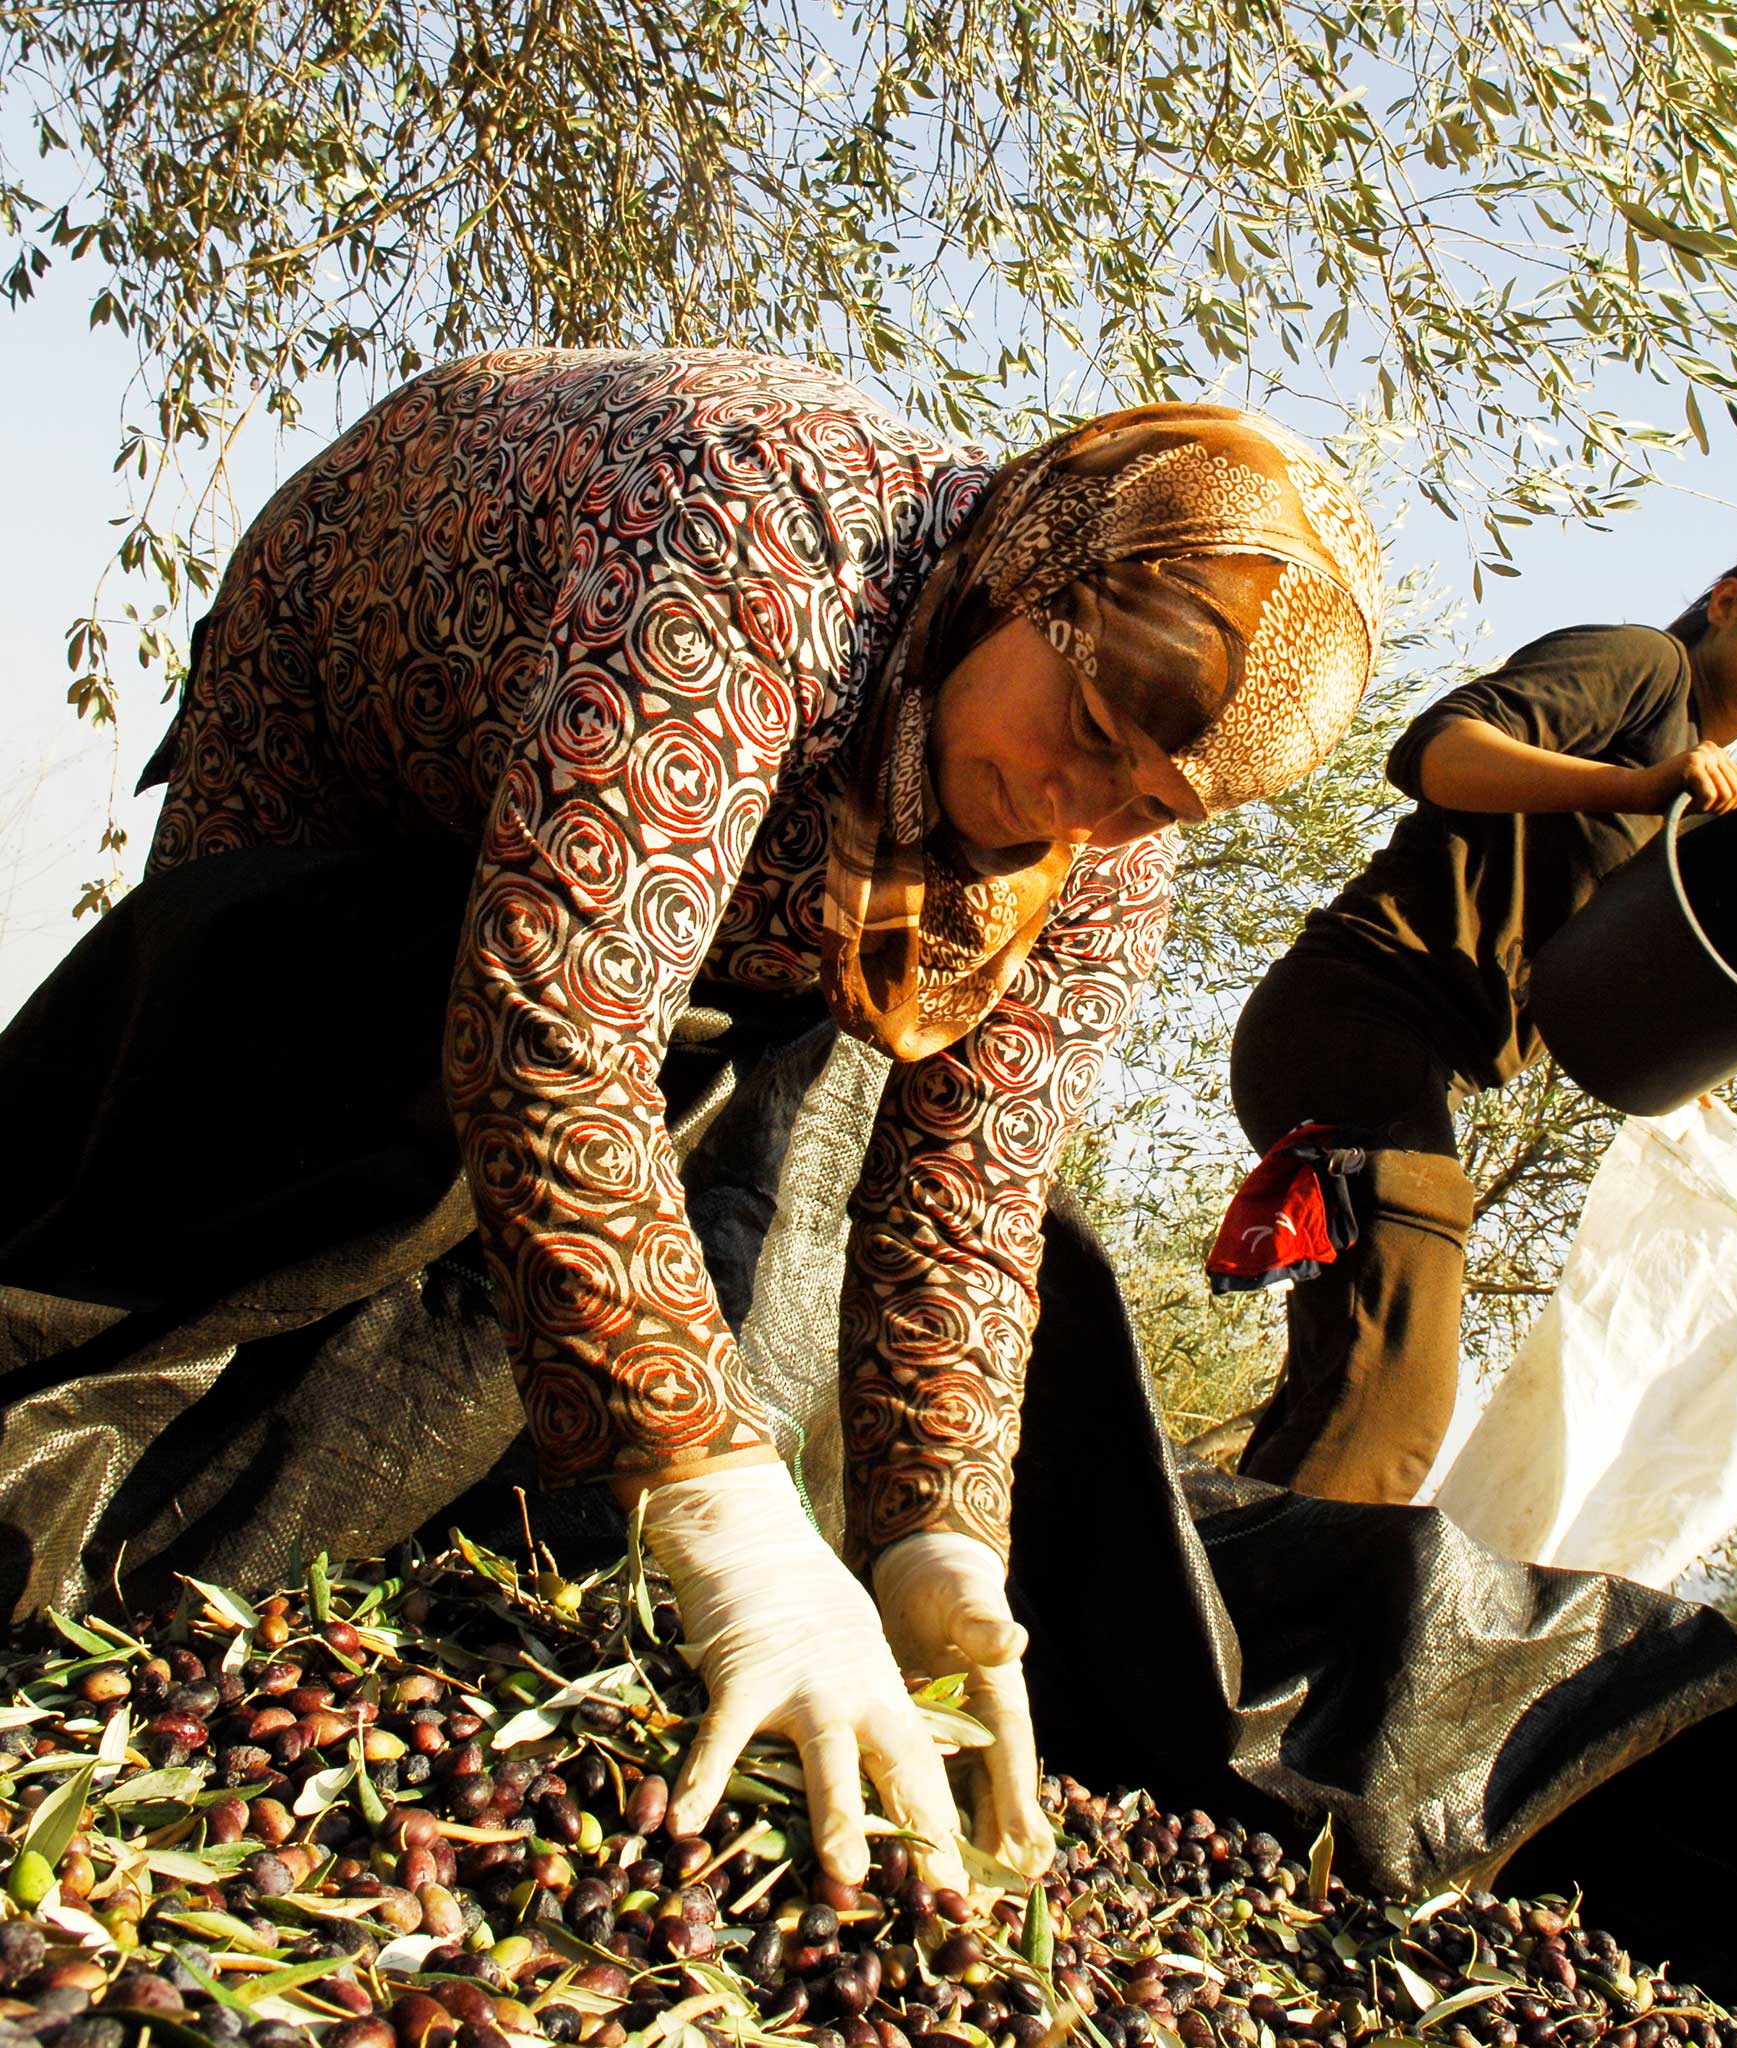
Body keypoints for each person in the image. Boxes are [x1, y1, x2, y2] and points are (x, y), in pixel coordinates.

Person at [137, 348, 1385, 1892]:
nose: (1083, 807)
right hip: (353, 705)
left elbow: (971, 1196)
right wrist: (720, 1503)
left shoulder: (1107, 853)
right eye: (1084, 726)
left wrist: (939, 1534)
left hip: (685, 851)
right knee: (217, 1105)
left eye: (1153, 800)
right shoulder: (763, 542)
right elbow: (558, 1031)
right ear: (1025, 581)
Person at [1209, 533, 1737, 1506]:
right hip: (1356, 1012)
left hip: (1416, 1069)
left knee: (1354, 1384)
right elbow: (1435, 752)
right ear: (1726, 600)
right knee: (1394, 1387)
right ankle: (1272, 1590)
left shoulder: (1707, 812)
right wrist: (1633, 786)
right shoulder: (1643, 668)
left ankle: (1221, 1569)